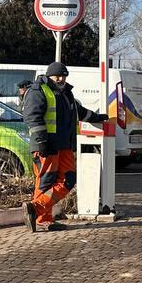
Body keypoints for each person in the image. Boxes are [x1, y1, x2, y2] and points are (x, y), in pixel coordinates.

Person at [21, 62, 108, 232]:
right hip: (47, 145)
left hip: (65, 145)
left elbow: (79, 112)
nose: (60, 78)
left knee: (68, 180)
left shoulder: (67, 92)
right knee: (46, 182)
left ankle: (36, 208)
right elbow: (32, 117)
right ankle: (42, 219)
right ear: (49, 76)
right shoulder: (38, 90)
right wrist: (41, 141)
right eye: (57, 76)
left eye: (63, 76)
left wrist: (98, 117)